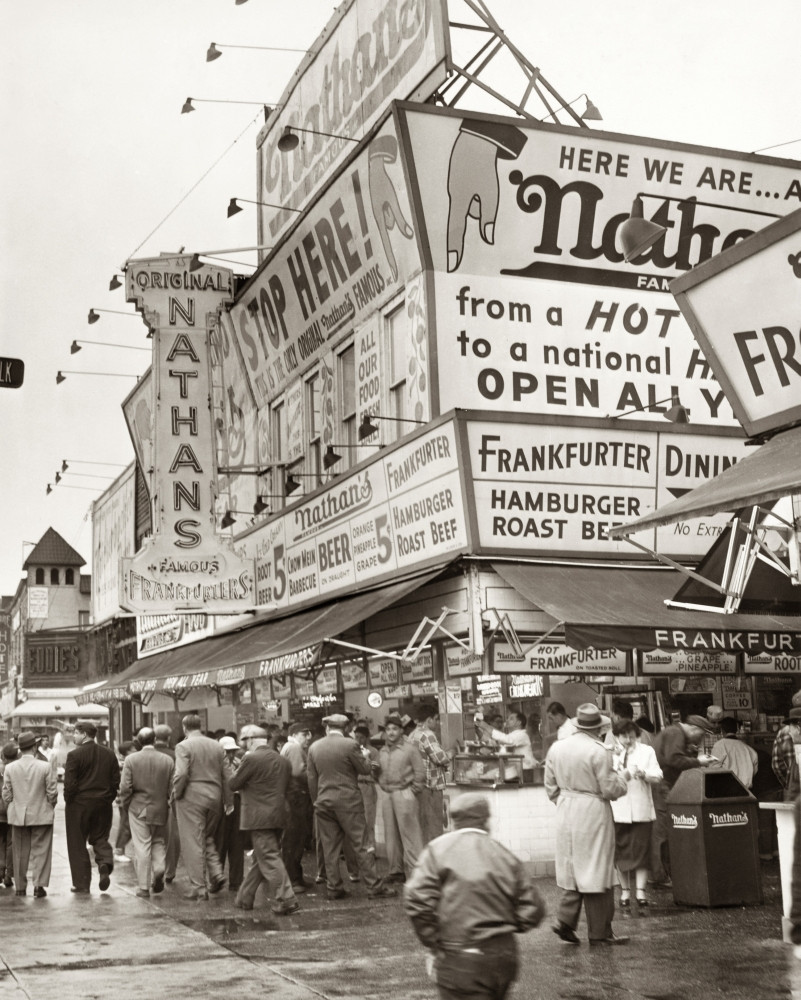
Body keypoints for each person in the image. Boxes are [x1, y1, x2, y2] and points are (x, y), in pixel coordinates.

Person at [404, 793, 545, 1000]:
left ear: (453, 821)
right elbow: (533, 908)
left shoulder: (437, 850)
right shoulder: (503, 854)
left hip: (459, 957)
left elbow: (417, 900)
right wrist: (505, 926)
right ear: (486, 821)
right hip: (503, 958)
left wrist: (433, 941)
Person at [545, 703, 629, 946]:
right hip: (592, 811)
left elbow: (550, 787)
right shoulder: (599, 751)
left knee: (573, 868)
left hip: (565, 808)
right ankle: (600, 931)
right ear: (598, 729)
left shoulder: (557, 748)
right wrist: (624, 779)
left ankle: (566, 921)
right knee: (598, 869)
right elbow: (610, 789)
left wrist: (565, 801)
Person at [306, 713, 395, 901]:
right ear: (346, 729)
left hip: (323, 803)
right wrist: (367, 756)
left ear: (327, 728)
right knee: (362, 845)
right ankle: (373, 886)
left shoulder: (314, 747)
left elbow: (311, 778)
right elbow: (365, 769)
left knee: (330, 848)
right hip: (349, 802)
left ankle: (334, 887)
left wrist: (317, 801)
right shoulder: (350, 745)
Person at [231, 726, 299, 915]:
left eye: (244, 742)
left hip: (259, 817)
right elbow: (290, 788)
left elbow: (233, 784)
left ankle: (287, 898)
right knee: (262, 857)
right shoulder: (283, 760)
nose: (244, 746)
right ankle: (244, 897)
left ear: (251, 740)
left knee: (268, 857)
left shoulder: (250, 758)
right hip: (279, 815)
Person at [651, 714, 717, 886]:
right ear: (695, 729)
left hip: (663, 784)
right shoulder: (676, 733)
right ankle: (660, 875)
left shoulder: (673, 732)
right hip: (663, 785)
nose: (701, 739)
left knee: (663, 830)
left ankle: (662, 873)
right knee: (663, 831)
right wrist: (698, 761)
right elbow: (673, 759)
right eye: (701, 735)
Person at [172, 713, 232, 900]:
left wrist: (177, 793)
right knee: (206, 836)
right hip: (214, 797)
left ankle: (199, 887)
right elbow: (228, 776)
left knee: (193, 842)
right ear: (201, 726)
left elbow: (181, 773)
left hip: (191, 797)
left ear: (184, 728)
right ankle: (216, 872)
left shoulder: (183, 746)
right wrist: (228, 801)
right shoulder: (217, 746)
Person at [63, 719, 120, 894]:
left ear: (84, 734)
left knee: (77, 842)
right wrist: (107, 798)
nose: (74, 736)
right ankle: (104, 863)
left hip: (79, 804)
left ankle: (82, 883)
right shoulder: (109, 754)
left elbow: (70, 785)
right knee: (100, 837)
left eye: (76, 732)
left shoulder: (74, 756)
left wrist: (69, 800)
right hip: (102, 803)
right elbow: (115, 781)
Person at [610, 721, 662, 909]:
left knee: (641, 851)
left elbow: (658, 775)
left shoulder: (647, 751)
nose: (628, 740)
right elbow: (606, 778)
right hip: (618, 810)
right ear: (617, 736)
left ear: (636, 735)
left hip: (641, 810)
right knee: (621, 852)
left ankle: (640, 892)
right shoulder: (611, 753)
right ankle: (625, 892)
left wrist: (644, 773)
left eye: (631, 736)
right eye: (624, 736)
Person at [119, 726, 175, 897]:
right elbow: (173, 788)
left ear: (139, 741)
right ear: (154, 739)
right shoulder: (167, 760)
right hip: (160, 807)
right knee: (158, 841)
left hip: (139, 808)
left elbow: (125, 788)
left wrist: (126, 805)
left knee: (142, 845)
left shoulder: (131, 760)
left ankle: (144, 887)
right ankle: (159, 870)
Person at [1, 731, 58, 898]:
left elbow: (6, 794)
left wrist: (13, 806)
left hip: (18, 815)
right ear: (34, 747)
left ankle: (20, 887)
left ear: (21, 749)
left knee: (19, 852)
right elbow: (52, 792)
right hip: (42, 814)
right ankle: (39, 886)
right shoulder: (45, 766)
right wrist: (49, 806)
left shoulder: (10, 768)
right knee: (42, 851)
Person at [377, 713, 425, 883]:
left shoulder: (410, 749)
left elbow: (420, 772)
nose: (390, 732)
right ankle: (395, 870)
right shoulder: (382, 750)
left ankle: (417, 873)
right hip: (387, 794)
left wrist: (413, 790)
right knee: (391, 834)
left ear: (401, 731)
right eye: (388, 729)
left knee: (410, 834)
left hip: (404, 792)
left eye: (394, 729)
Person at [406, 706, 451, 844]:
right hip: (430, 787)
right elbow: (440, 758)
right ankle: (434, 858)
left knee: (423, 825)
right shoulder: (427, 734)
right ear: (429, 719)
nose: (437, 723)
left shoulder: (412, 735)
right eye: (436, 719)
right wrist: (450, 754)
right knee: (434, 826)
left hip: (418, 785)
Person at [280, 722, 314, 892]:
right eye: (303, 734)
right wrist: (316, 775)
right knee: (294, 840)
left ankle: (296, 877)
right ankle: (293, 880)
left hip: (294, 798)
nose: (308, 738)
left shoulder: (290, 747)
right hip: (295, 798)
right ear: (293, 735)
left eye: (309, 734)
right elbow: (298, 773)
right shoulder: (293, 748)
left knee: (295, 840)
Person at [215, 734, 245, 891]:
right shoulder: (215, 765)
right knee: (220, 843)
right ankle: (216, 880)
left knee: (237, 844)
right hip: (221, 805)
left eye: (233, 751)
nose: (231, 754)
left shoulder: (240, 763)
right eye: (228, 751)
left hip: (237, 803)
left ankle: (237, 881)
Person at [153, 724, 180, 882]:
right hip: (170, 800)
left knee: (150, 839)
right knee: (171, 838)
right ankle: (170, 871)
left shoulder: (143, 755)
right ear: (169, 738)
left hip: (147, 803)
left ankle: (155, 868)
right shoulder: (174, 755)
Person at [475, 710, 537, 775]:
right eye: (507, 718)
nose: (507, 720)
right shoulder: (511, 735)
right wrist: (478, 730)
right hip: (514, 771)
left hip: (525, 772)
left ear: (518, 723)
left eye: (511, 719)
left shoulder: (523, 735)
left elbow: (508, 740)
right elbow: (494, 743)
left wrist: (486, 726)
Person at [711, 717, 758, 789]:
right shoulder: (749, 749)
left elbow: (713, 769)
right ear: (736, 730)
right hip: (747, 791)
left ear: (722, 731)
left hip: (727, 790)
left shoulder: (719, 745)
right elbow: (754, 772)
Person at [353, 724, 379, 853]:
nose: (358, 740)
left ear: (367, 738)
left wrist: (367, 758)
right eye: (356, 737)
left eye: (361, 737)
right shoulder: (351, 750)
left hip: (367, 785)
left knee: (369, 819)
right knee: (355, 819)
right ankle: (358, 848)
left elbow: (375, 771)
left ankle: (371, 846)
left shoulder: (373, 752)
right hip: (355, 786)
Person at [113, 740, 136, 864]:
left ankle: (120, 850)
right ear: (127, 752)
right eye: (133, 749)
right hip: (125, 798)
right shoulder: (124, 763)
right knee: (125, 825)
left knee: (126, 824)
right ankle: (119, 851)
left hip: (123, 798)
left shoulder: (124, 762)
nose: (136, 751)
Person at [772, 706, 801, 802]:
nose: (789, 731)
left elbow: (777, 765)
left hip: (793, 797)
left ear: (798, 728)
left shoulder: (782, 733)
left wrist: (788, 784)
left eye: (790, 727)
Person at [0, 741, 18, 888]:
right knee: (11, 844)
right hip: (12, 811)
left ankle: (0, 870)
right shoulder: (16, 769)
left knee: (0, 842)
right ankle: (8, 875)